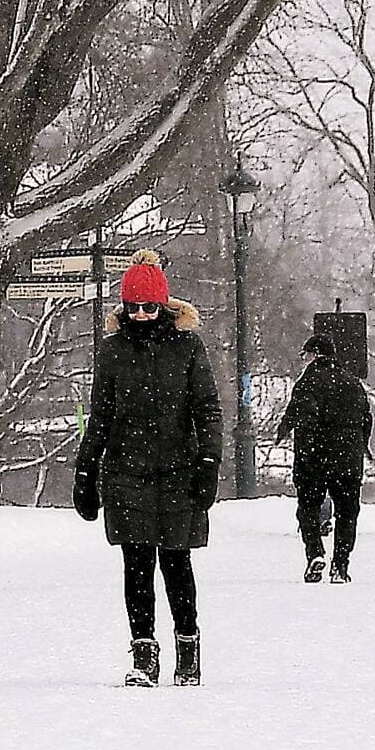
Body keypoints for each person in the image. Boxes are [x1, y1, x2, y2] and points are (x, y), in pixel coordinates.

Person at [72, 250, 221, 687]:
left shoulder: (188, 346)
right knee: (136, 565)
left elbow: (207, 408)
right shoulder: (113, 351)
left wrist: (209, 460)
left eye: (149, 306)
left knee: (177, 564)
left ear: (164, 305)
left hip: (178, 470)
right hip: (126, 472)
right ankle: (144, 654)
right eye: (133, 307)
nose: (140, 315)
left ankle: (188, 647)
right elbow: (100, 415)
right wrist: (86, 470)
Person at [276, 334, 372, 583]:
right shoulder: (352, 382)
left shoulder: (307, 382)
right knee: (347, 512)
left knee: (308, 507)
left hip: (314, 456)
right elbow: (366, 418)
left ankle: (315, 553)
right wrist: (360, 445)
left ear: (316, 354)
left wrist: (286, 432)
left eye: (305, 354)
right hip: (347, 457)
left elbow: (298, 413)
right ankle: (340, 565)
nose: (303, 359)